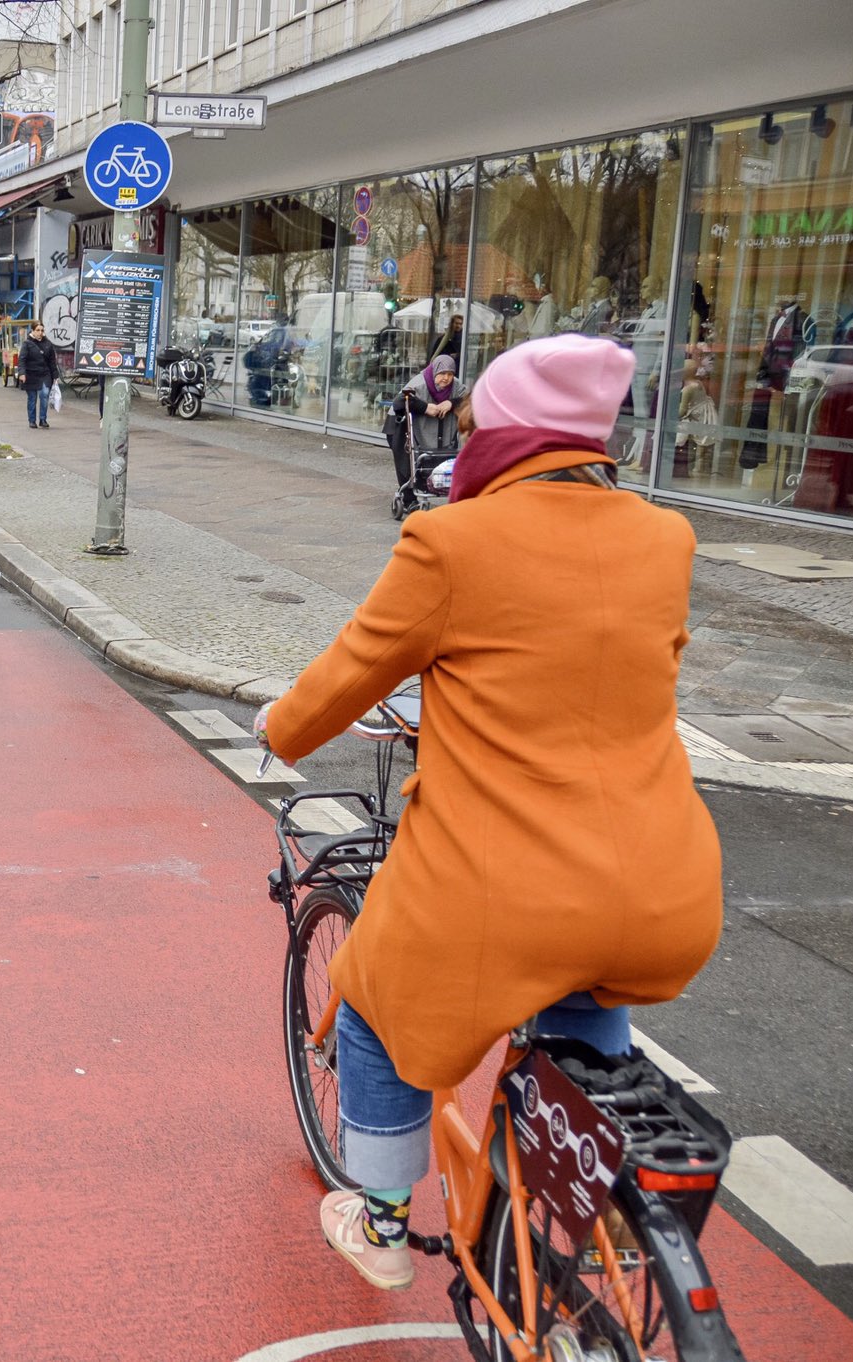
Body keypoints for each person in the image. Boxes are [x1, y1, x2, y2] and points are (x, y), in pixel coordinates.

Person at [254, 334, 723, 1293]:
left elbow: (352, 671)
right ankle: (608, 1207)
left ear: (505, 437)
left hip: (500, 890)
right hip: (659, 886)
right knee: (586, 997)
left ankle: (383, 1221)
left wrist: (281, 726)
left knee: (371, 1004)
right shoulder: (664, 539)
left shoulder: (451, 544)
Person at [387, 355, 467, 510]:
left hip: (434, 430)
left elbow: (469, 399)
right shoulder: (420, 383)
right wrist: (424, 407)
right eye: (442, 374)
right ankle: (408, 499)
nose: (446, 378)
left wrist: (451, 402)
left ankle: (424, 491)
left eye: (450, 374)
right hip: (399, 426)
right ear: (434, 371)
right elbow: (399, 402)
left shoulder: (456, 386)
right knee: (408, 461)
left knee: (431, 460)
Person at [18, 322, 58, 429]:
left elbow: (52, 361)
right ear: (32, 331)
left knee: (44, 395)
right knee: (32, 398)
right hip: (30, 374)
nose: (40, 333)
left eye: (42, 330)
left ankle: (42, 419)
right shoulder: (27, 344)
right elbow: (22, 359)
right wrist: (22, 373)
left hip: (44, 373)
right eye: (38, 330)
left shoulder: (48, 344)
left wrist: (55, 376)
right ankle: (32, 420)